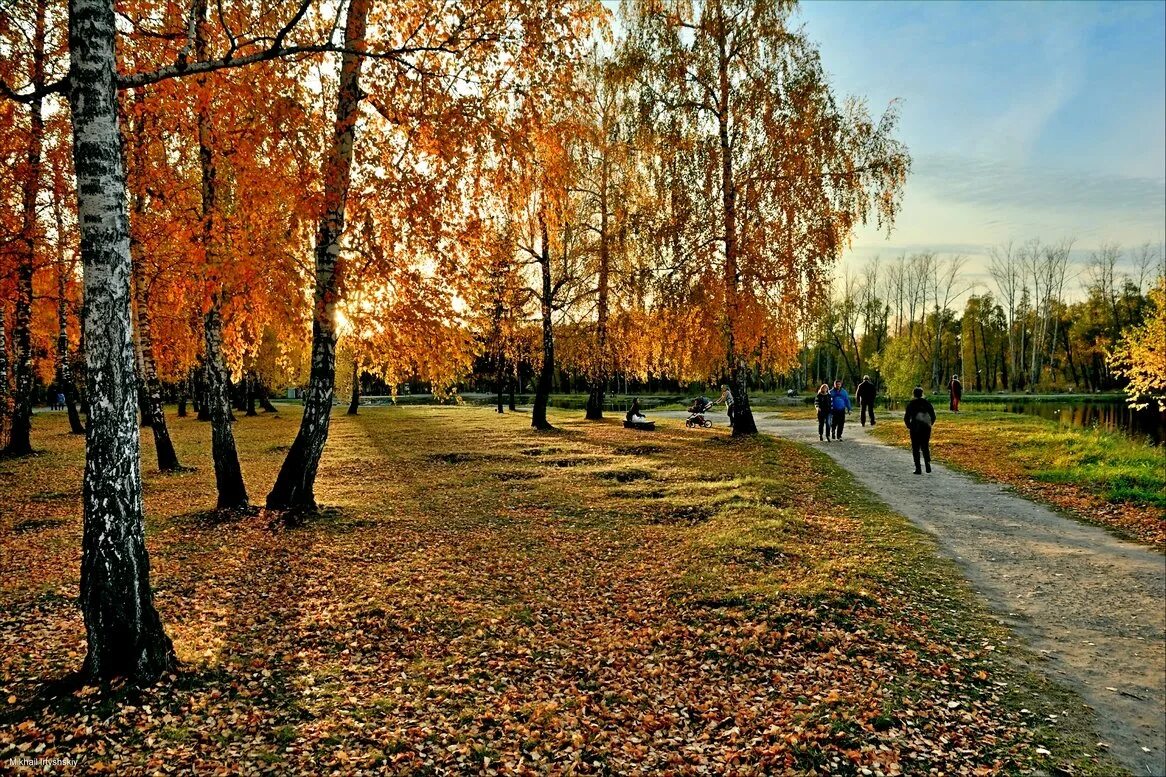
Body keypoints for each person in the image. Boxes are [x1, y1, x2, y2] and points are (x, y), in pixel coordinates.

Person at [904, 386, 936, 474]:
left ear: (913, 394)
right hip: (926, 428)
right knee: (925, 446)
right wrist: (930, 424)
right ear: (922, 394)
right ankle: (927, 464)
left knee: (915, 448)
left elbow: (906, 417)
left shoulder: (911, 404)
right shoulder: (927, 403)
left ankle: (918, 468)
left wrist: (909, 426)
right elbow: (933, 416)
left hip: (915, 428)